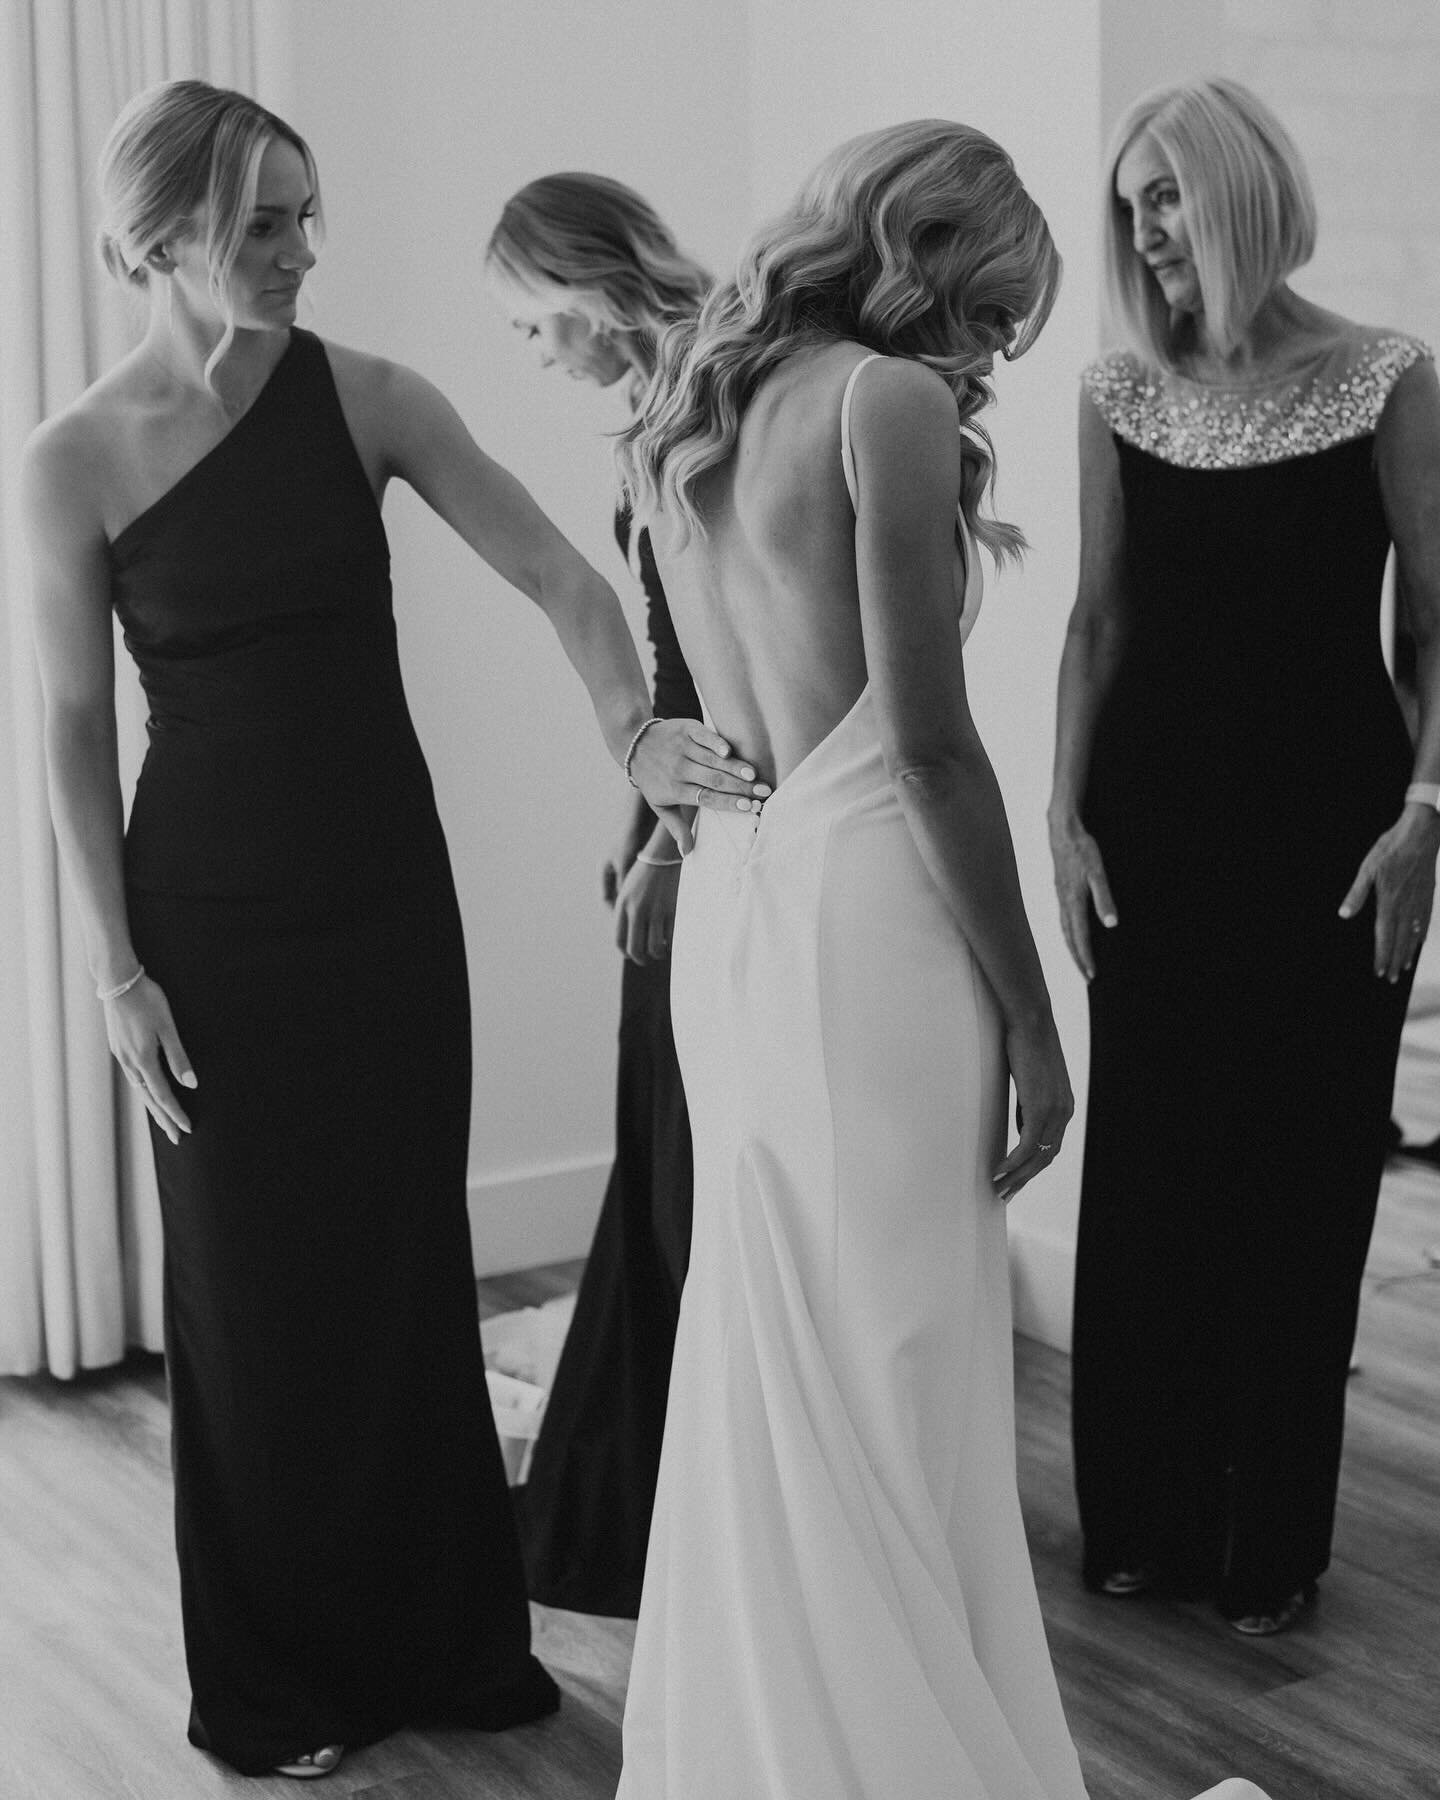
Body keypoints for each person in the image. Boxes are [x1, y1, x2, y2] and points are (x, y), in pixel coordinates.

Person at [21, 78, 765, 1780]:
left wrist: (639, 740)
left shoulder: (368, 398)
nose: (301, 250)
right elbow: (67, 731)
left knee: (401, 1262)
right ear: (163, 234)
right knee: (251, 1296)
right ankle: (279, 1686)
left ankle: (444, 1639)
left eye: (305, 213)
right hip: (204, 916)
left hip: (381, 898)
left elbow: (571, 584)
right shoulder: (66, 461)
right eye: (262, 221)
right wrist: (115, 968)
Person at [613, 118, 1265, 1800]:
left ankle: (787, 1753)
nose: (979, 360)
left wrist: (650, 781)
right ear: (921, 251)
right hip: (869, 924)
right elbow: (928, 752)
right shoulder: (880, 404)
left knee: (783, 1346)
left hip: (746, 904)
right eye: (985, 310)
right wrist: (1039, 1024)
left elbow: (680, 704)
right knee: (897, 1360)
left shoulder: (691, 399)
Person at [1050, 77, 1440, 1636]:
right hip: (1152, 828)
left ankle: (1269, 1536)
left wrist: (1429, 813)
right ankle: (1141, 1521)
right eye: (1130, 199)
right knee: (1151, 1174)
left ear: (1242, 193)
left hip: (1334, 835)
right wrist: (1062, 816)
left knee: (1305, 1174)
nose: (1145, 227)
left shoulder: (1388, 376)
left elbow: (1433, 630)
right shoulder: (1113, 393)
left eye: (1167, 194)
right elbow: (1098, 621)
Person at [484, 174, 713, 1615]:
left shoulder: (714, 399)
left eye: (533, 319)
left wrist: (677, 845)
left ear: (592, 276)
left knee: (692, 1174)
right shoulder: (640, 426)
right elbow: (660, 656)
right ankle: (639, 1505)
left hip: (731, 838)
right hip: (676, 817)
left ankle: (698, 1513)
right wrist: (632, 808)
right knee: (652, 1158)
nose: (533, 351)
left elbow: (738, 661)